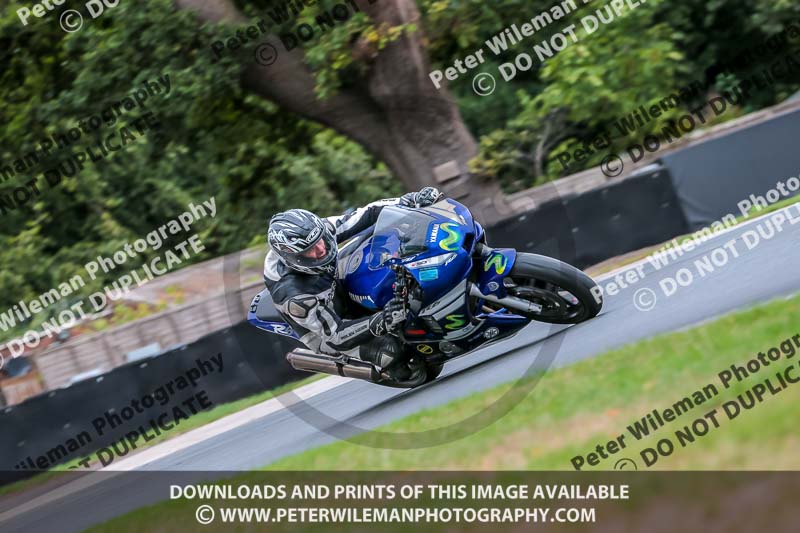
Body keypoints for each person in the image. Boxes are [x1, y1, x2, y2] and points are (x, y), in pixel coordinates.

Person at [263, 187, 444, 376]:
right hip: (328, 331)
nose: (321, 249)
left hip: (335, 283)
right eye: (311, 250)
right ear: (294, 258)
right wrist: (383, 320)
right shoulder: (295, 296)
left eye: (320, 241)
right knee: (393, 351)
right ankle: (391, 367)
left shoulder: (316, 233)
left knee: (378, 244)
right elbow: (336, 335)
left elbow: (367, 214)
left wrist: (410, 199)